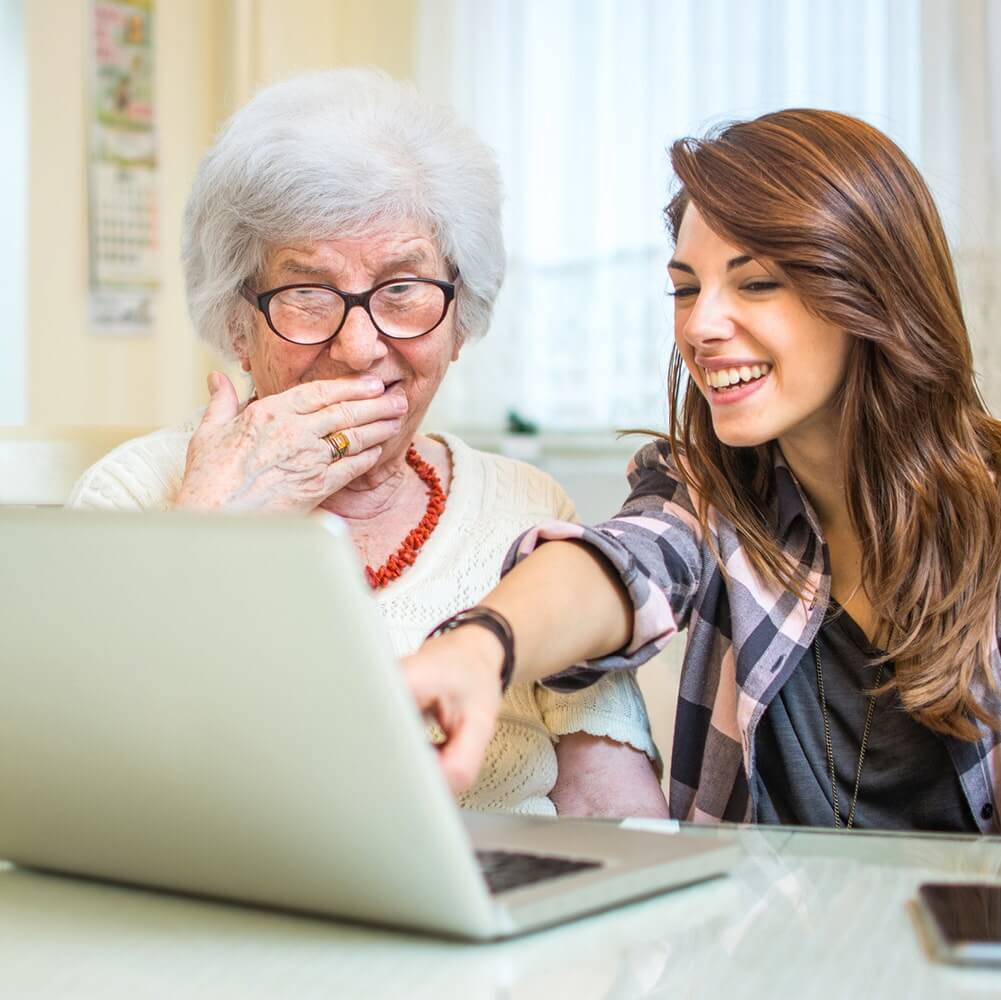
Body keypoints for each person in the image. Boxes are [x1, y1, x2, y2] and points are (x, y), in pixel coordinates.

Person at [69, 69, 667, 819]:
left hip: (510, 911)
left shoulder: (525, 505)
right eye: (307, 293)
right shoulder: (130, 496)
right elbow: (90, 795)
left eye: (402, 289)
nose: (358, 347)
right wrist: (210, 528)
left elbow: (617, 814)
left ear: (460, 322)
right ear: (237, 326)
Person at [404, 108, 1001, 833]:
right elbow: (623, 560)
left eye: (755, 285)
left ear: (868, 292)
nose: (700, 327)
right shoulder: (707, 491)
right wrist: (481, 646)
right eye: (686, 289)